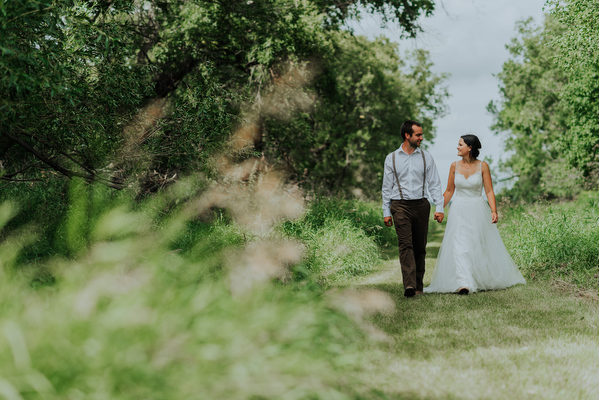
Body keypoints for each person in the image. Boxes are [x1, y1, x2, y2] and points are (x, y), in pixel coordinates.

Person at [424, 134, 526, 295]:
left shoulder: (482, 166)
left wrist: (494, 210)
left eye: (460, 145)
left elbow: (489, 190)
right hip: (458, 210)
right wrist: (439, 208)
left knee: (475, 246)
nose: (457, 147)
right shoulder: (453, 166)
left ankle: (477, 278)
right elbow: (449, 191)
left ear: (470, 147)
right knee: (459, 246)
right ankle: (464, 283)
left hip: (477, 210)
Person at [382, 120, 445, 298]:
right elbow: (387, 187)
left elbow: (435, 184)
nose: (421, 138)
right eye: (418, 134)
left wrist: (439, 207)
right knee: (405, 245)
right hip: (399, 204)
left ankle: (418, 285)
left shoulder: (426, 157)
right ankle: (409, 285)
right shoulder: (391, 158)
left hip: (421, 205)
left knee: (419, 246)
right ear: (407, 135)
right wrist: (386, 211)